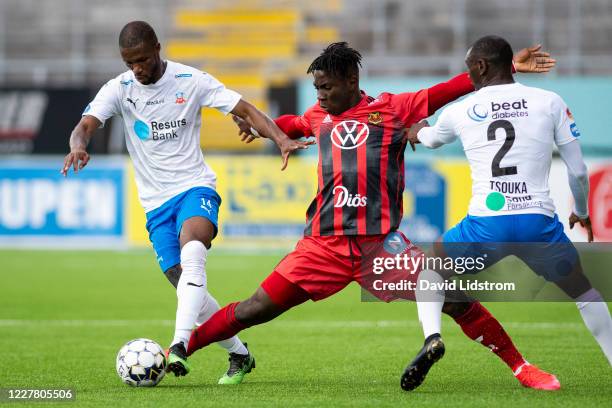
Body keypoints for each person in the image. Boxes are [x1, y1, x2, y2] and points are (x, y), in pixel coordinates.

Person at [186, 41, 561, 391]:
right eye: (317, 89)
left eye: (327, 87)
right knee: (255, 308)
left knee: (456, 300)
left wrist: (507, 65)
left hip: (381, 248)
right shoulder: (318, 115)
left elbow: (446, 90)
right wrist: (261, 126)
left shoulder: (393, 110)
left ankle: (522, 367)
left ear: (352, 81)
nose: (320, 96)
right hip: (322, 247)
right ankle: (181, 349)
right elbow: (293, 124)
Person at [60, 21, 310, 384]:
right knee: (189, 291)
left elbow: (246, 109)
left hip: (195, 188)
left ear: (158, 48)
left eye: (143, 60)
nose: (138, 69)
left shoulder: (192, 81)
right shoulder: (120, 88)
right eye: (130, 63)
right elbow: (84, 125)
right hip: (155, 205)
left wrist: (280, 139)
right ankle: (240, 355)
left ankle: (177, 346)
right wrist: (78, 147)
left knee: (193, 252)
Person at [406, 35, 612, 390]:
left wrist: (417, 130)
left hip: (487, 226)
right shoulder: (550, 101)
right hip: (538, 226)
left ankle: (432, 338)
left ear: (482, 66)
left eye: (469, 66)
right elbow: (577, 171)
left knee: (430, 271)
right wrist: (580, 211)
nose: (467, 73)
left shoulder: (462, 109)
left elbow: (431, 139)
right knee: (585, 292)